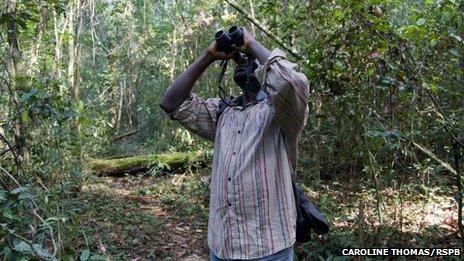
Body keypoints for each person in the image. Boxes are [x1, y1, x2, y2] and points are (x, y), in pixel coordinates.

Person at [159, 27, 310, 260]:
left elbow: (292, 83)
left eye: (249, 59)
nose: (242, 60)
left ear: (265, 72)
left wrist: (250, 43)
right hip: (222, 248)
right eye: (239, 58)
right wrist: (209, 55)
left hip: (269, 249)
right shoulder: (222, 113)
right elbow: (171, 102)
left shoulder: (280, 113)